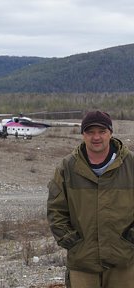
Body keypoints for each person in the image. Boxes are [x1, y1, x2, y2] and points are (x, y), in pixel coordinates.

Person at [47, 110, 134, 288]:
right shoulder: (67, 167)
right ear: (83, 135)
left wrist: (130, 240)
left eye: (102, 131)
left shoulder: (131, 165)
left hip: (124, 260)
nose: (96, 137)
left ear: (110, 133)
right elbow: (56, 210)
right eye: (90, 132)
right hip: (82, 262)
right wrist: (73, 243)